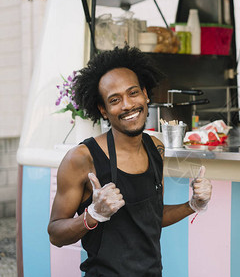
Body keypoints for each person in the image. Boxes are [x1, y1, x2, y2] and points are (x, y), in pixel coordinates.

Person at [47, 46, 212, 276]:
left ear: (145, 94)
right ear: (103, 110)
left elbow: (152, 217)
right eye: (115, 100)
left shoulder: (156, 148)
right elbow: (55, 234)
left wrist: (193, 205)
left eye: (133, 93)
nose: (127, 105)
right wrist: (92, 215)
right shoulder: (82, 158)